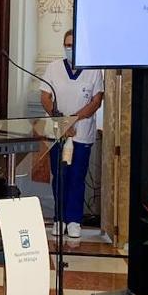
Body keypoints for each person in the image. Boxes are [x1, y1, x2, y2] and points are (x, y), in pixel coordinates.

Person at [40, 29, 104, 239]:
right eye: (67, 45)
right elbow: (45, 97)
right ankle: (59, 219)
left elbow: (96, 101)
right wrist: (61, 120)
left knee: (77, 177)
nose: (70, 49)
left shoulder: (93, 70)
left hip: (81, 133)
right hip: (58, 132)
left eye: (74, 46)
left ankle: (74, 220)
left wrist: (74, 119)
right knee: (59, 177)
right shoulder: (53, 68)